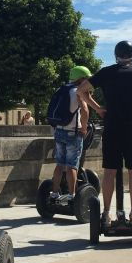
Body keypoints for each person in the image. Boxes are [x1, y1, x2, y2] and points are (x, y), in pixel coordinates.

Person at [77, 40, 132, 225]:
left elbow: (81, 90)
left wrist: (98, 108)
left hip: (112, 126)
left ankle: (106, 213)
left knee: (109, 172)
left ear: (116, 54)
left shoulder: (107, 72)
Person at [49, 66, 92, 204]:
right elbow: (85, 111)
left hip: (59, 131)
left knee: (59, 165)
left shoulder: (60, 89)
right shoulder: (78, 92)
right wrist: (84, 129)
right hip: (73, 133)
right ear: (81, 79)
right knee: (72, 166)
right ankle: (72, 196)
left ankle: (54, 194)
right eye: (87, 79)